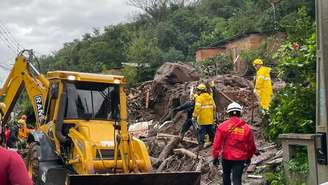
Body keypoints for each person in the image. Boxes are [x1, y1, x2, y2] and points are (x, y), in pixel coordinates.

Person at [212, 102, 256, 185]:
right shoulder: (247, 128)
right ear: (240, 113)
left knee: (226, 176)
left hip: (226, 157)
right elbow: (251, 146)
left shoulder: (222, 126)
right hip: (240, 158)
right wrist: (249, 157)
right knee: (237, 179)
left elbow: (216, 144)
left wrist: (215, 157)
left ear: (229, 113)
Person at [192, 83, 216, 149]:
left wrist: (194, 116)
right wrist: (214, 117)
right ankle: (214, 143)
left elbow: (197, 108)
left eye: (198, 90)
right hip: (210, 119)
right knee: (211, 132)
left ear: (200, 91)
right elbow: (214, 107)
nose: (197, 92)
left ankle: (201, 146)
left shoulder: (199, 98)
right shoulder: (210, 97)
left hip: (202, 119)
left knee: (201, 133)